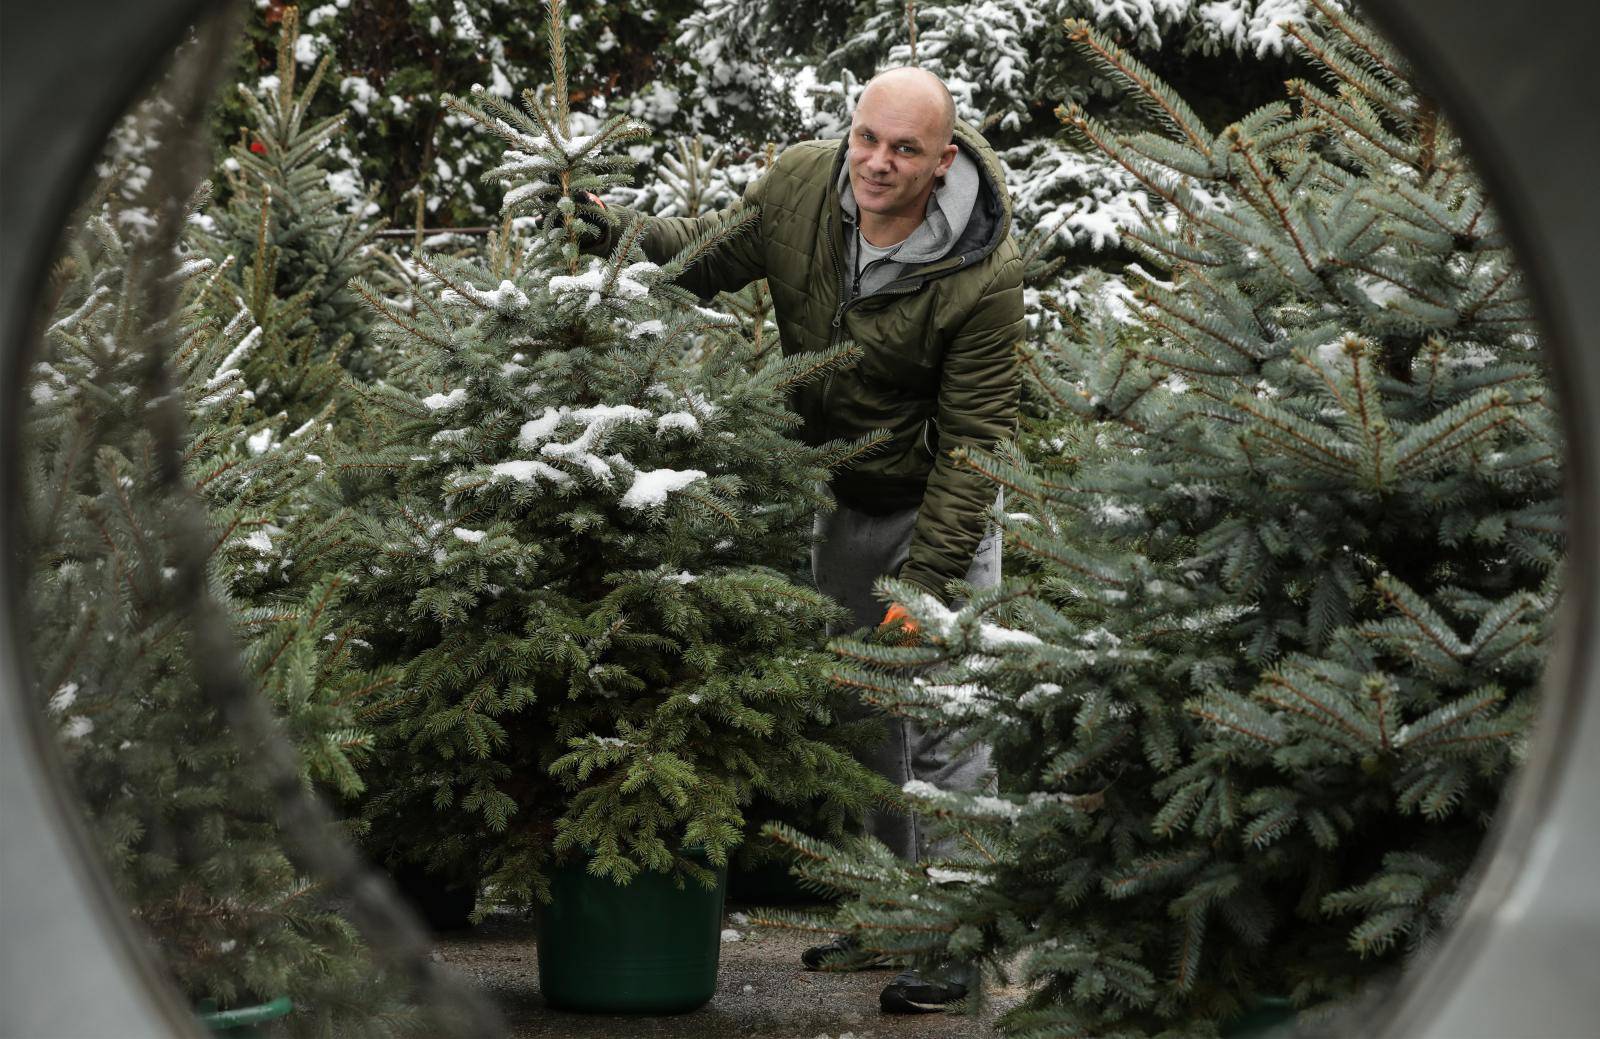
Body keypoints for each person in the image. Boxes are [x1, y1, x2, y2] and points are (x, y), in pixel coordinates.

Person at [587, 66, 1023, 1013]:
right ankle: (884, 911)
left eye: (905, 149)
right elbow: (701, 254)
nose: (877, 162)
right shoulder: (801, 185)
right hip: (840, 494)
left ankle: (956, 938)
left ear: (942, 158)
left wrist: (932, 580)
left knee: (949, 722)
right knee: (860, 716)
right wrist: (606, 226)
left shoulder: (982, 274)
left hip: (939, 505)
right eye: (868, 137)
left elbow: (978, 443)